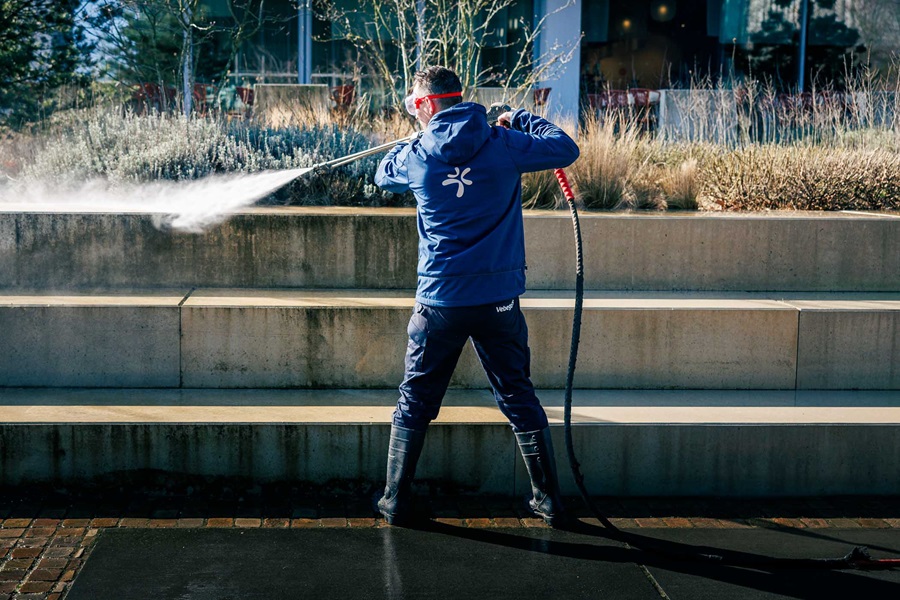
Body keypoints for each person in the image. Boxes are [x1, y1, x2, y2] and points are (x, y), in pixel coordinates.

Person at [373, 66, 579, 527]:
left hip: (439, 303)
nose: (414, 112)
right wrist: (519, 118)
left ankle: (395, 501)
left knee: (416, 400)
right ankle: (548, 502)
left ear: (427, 106)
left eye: (414, 105)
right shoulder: (502, 142)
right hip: (497, 303)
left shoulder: (417, 152)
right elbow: (566, 148)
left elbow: (382, 174)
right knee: (517, 395)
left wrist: (411, 143)